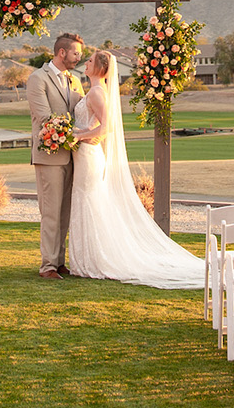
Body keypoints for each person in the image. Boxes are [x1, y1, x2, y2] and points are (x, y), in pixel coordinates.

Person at [67, 48, 204, 289]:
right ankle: (85, 260)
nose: (85, 63)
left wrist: (79, 136)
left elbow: (107, 128)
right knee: (85, 202)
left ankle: (94, 261)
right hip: (84, 155)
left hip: (88, 154)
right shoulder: (94, 91)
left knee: (88, 202)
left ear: (100, 68)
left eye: (89, 60)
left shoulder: (97, 93)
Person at [29, 32, 86, 279]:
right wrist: (79, 133)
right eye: (76, 53)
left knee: (65, 213)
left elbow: (80, 112)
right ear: (62, 52)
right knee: (51, 213)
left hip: (73, 155)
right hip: (49, 156)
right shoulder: (37, 78)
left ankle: (60, 262)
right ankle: (48, 266)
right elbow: (45, 118)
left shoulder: (75, 80)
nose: (79, 57)